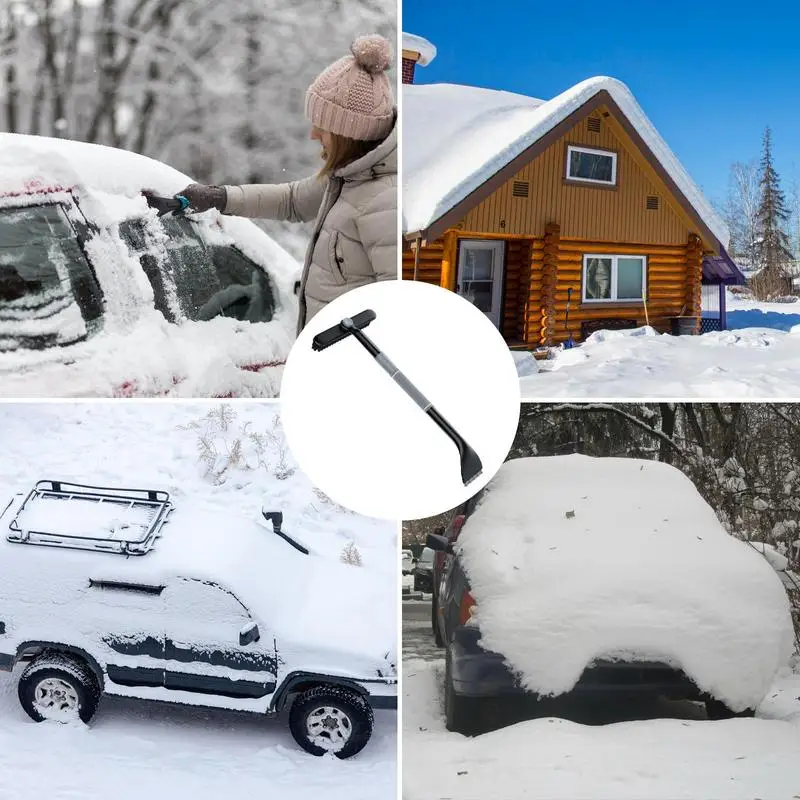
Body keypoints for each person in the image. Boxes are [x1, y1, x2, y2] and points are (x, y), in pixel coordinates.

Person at [174, 34, 397, 333]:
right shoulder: (348, 180)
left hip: (350, 364)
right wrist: (218, 197)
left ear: (348, 134)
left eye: (322, 126)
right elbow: (291, 200)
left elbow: (397, 310)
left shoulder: (383, 201)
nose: (313, 134)